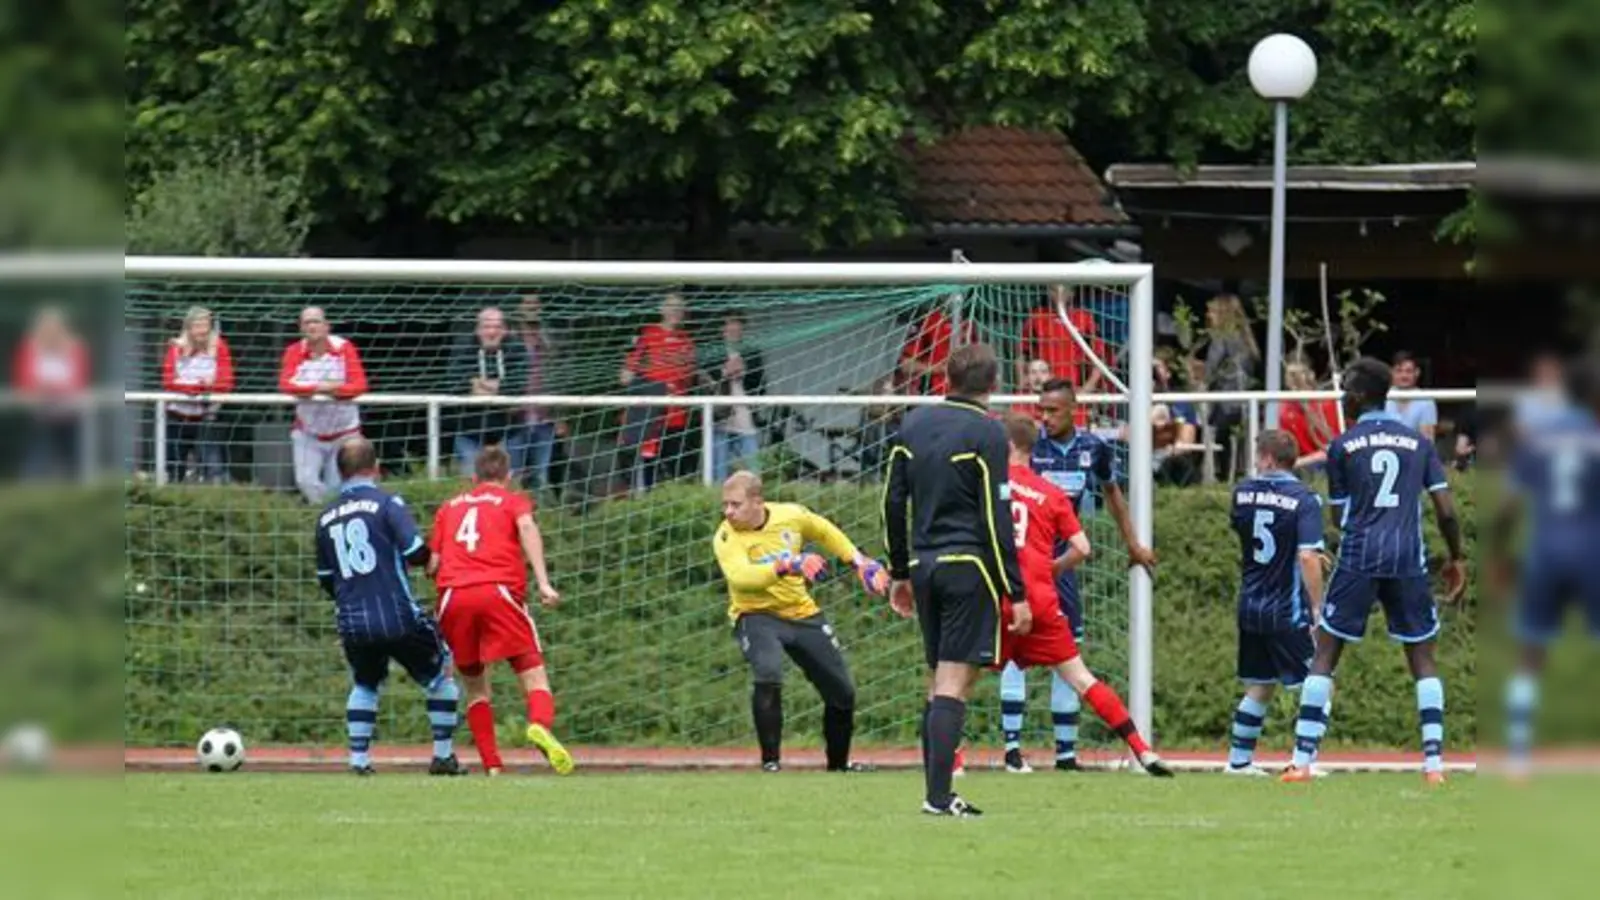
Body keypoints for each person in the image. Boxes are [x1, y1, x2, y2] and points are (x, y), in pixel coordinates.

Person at [1282, 358, 1466, 784]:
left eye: (1346, 388)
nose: (1342, 396)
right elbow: (1446, 511)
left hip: (1360, 555)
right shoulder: (1418, 443)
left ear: (1362, 395)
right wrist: (1457, 557)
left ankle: (1302, 762)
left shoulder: (1343, 446)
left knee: (1326, 653)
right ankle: (1434, 767)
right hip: (1407, 558)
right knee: (1422, 657)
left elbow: (1338, 518)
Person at [883, 342, 1032, 818]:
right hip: (968, 567)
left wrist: (899, 571)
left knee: (937, 680)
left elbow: (892, 502)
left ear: (946, 378)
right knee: (954, 681)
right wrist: (1015, 590)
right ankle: (938, 797)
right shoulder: (987, 432)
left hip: (924, 566)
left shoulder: (913, 423)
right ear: (994, 384)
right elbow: (996, 516)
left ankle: (937, 794)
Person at [998, 413, 1172, 776]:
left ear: (1009, 446)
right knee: (1081, 677)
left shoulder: (990, 485)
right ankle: (1142, 750)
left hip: (1000, 597)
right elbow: (1083, 547)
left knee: (954, 674)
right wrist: (1053, 568)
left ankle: (961, 762)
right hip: (1043, 598)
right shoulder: (1052, 494)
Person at [712, 471, 890, 771]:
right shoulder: (726, 536)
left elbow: (824, 531)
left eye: (735, 504)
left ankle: (838, 767)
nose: (728, 512)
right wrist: (790, 563)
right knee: (768, 672)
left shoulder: (790, 515)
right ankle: (771, 764)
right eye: (725, 505)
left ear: (757, 501)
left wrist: (859, 561)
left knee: (842, 692)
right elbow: (742, 578)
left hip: (802, 613)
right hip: (755, 614)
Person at [312, 437, 465, 777]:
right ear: (376, 468)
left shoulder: (325, 518)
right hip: (396, 615)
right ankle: (442, 757)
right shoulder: (387, 504)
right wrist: (431, 560)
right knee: (441, 673)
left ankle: (359, 761)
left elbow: (326, 579)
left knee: (365, 684)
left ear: (340, 472)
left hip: (352, 620)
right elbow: (414, 550)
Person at [429, 445, 572, 776]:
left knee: (476, 687)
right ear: (509, 476)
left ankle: (492, 765)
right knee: (533, 673)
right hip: (498, 591)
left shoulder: (449, 507)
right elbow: (527, 528)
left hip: (453, 597)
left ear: (473, 477)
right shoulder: (513, 501)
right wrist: (544, 582)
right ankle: (539, 725)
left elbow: (433, 563)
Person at [1492, 355, 1600, 778]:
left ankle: (1518, 755)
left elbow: (1508, 507)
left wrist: (1500, 556)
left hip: (1545, 553)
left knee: (1530, 653)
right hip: (1591, 553)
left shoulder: (1537, 439)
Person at [1224, 431, 1327, 776]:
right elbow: (1307, 556)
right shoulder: (1305, 499)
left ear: (1268, 458)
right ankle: (1303, 763)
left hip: (1250, 604)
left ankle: (1238, 763)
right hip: (1287, 608)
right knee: (1320, 680)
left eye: (1258, 455)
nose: (1256, 461)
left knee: (1261, 684)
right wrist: (1317, 608)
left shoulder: (1241, 494)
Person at [279, 306, 369, 503]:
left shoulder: (344, 348)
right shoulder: (294, 351)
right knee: (305, 481)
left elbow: (359, 384)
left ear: (327, 326)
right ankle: (324, 511)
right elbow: (286, 384)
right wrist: (320, 388)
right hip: (308, 432)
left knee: (337, 486)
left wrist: (335, 390)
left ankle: (330, 512)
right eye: (307, 322)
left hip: (344, 433)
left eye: (316, 321)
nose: (312, 326)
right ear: (301, 327)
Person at [448, 306, 531, 476]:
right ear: (478, 329)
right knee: (471, 483)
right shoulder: (463, 347)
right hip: (470, 433)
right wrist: (498, 388)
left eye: (497, 327)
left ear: (505, 329)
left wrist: (478, 384)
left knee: (509, 484)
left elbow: (518, 386)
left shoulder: (516, 348)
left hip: (509, 433)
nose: (492, 332)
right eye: (486, 327)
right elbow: (454, 384)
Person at [161, 306, 235, 484]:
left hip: (207, 416)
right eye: (198, 326)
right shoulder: (176, 348)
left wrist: (190, 385)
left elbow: (226, 382)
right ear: (188, 327)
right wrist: (201, 385)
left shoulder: (219, 347)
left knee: (214, 467)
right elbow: (169, 381)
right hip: (177, 416)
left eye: (206, 325)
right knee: (174, 466)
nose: (203, 331)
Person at [705, 312, 765, 480]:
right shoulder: (713, 352)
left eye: (737, 325)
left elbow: (760, 383)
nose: (734, 328)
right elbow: (704, 377)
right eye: (729, 324)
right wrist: (724, 371)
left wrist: (743, 371)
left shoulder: (752, 353)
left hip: (745, 416)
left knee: (753, 464)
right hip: (720, 417)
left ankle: (755, 492)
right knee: (719, 468)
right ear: (722, 329)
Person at [1385, 351, 1438, 441]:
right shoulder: (1383, 396)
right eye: (1399, 371)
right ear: (1392, 372)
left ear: (1417, 373)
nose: (1404, 376)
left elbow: (1427, 441)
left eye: (1408, 371)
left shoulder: (1426, 401)